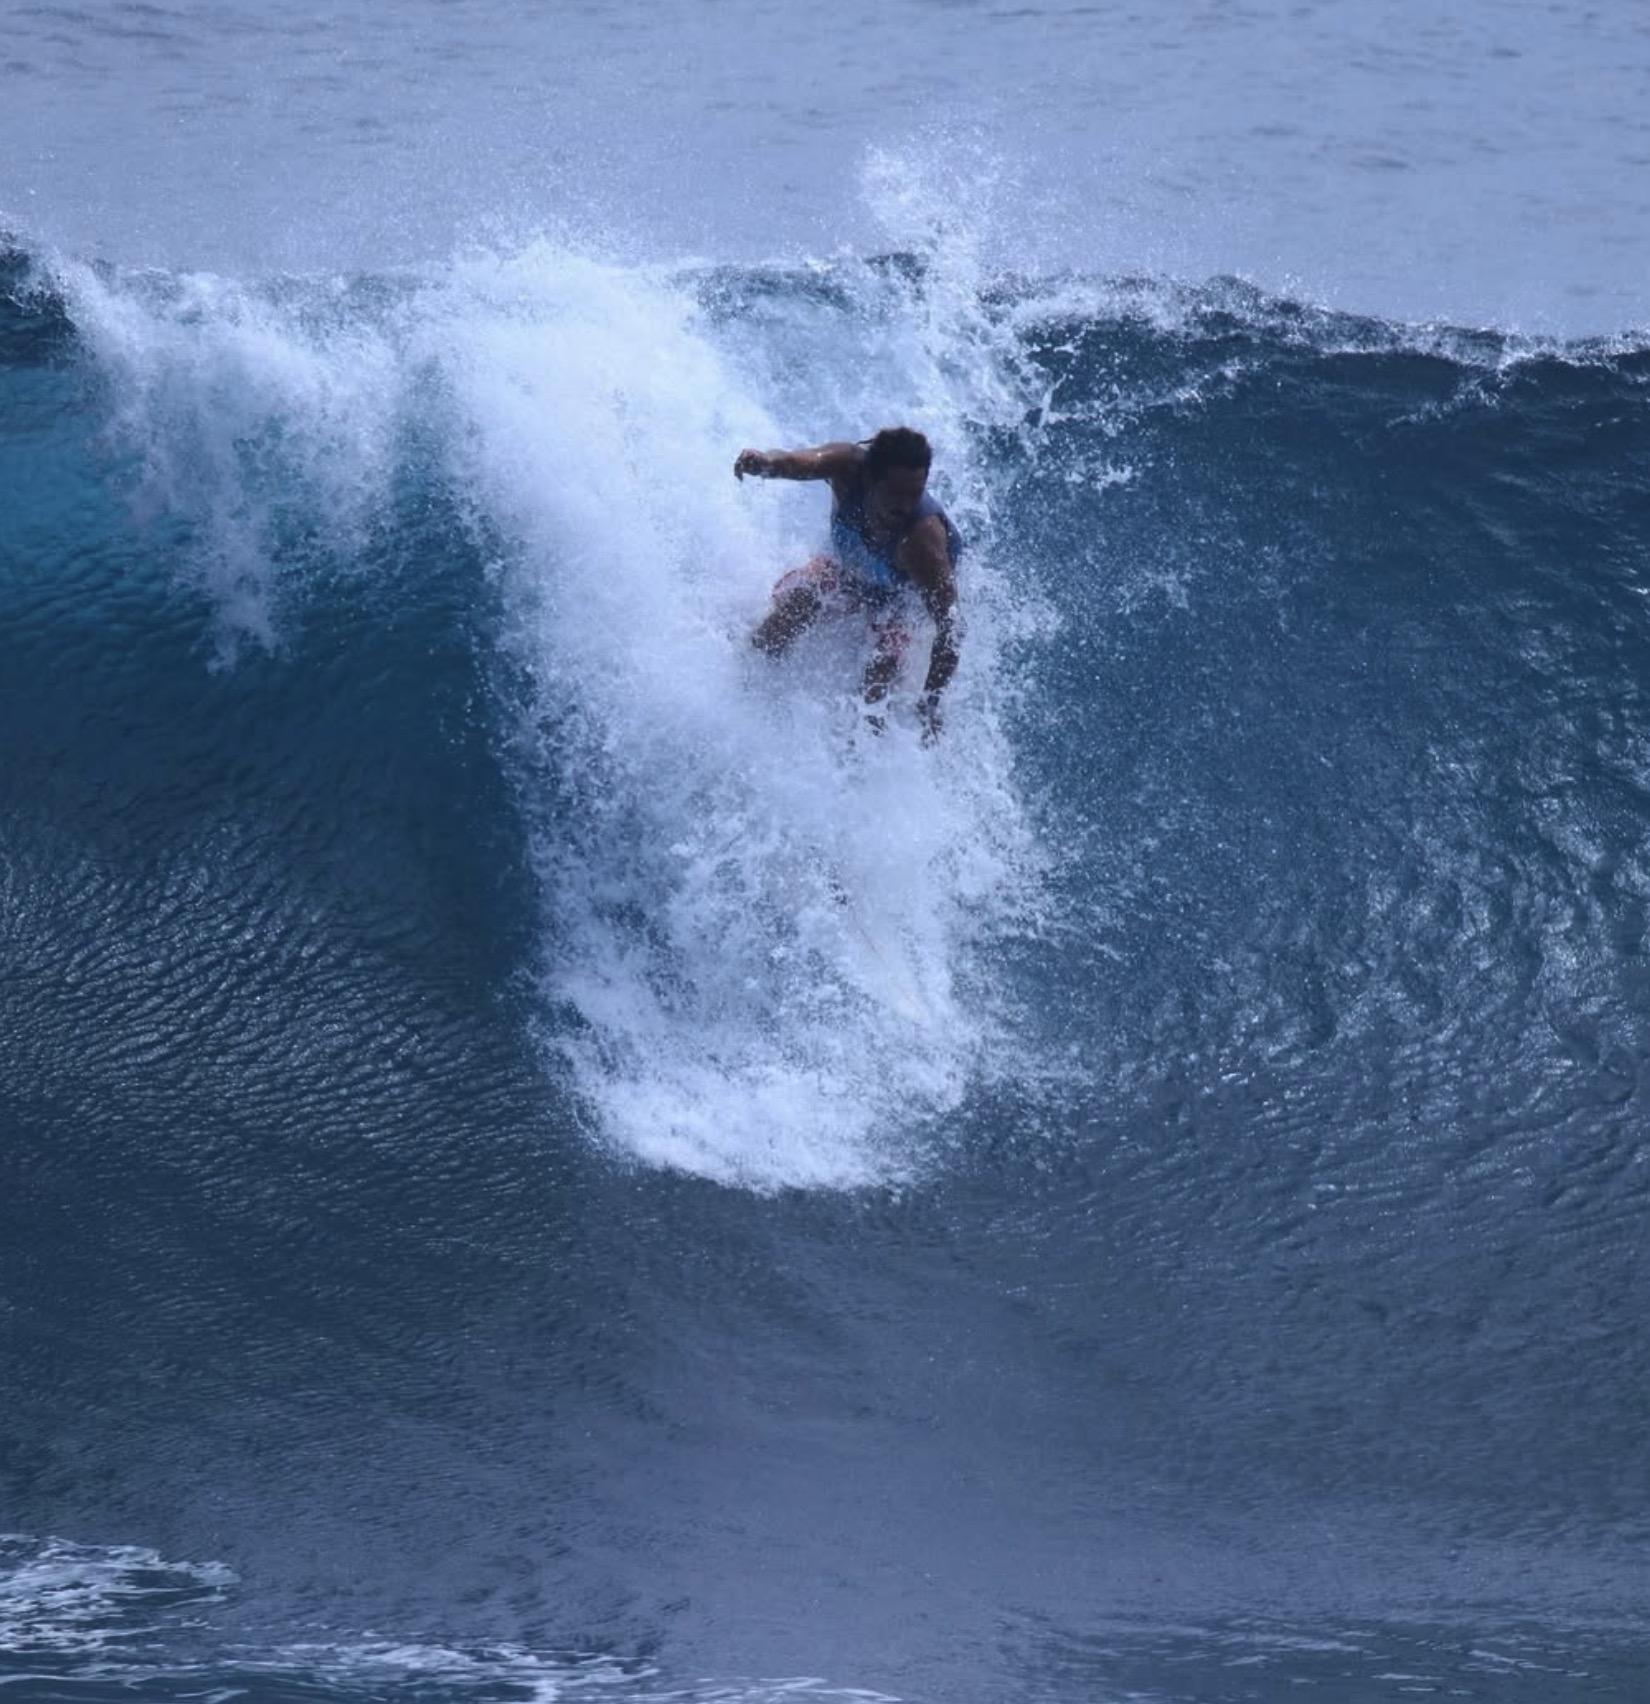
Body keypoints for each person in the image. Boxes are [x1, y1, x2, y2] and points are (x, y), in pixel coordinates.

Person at [735, 426, 961, 743]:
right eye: (896, 494)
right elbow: (793, 461)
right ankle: (743, 687)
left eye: (916, 493)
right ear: (870, 478)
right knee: (800, 601)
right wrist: (764, 464)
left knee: (879, 671)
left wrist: (931, 703)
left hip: (903, 605)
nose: (906, 506)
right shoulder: (845, 470)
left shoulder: (921, 542)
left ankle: (861, 766)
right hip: (852, 577)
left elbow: (950, 627)